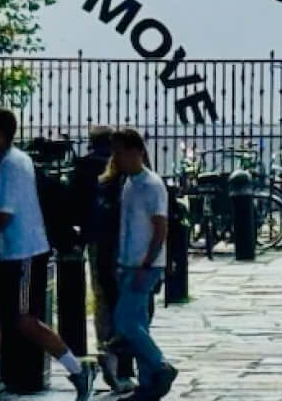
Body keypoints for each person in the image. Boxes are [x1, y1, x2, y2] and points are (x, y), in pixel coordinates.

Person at [0, 110, 96, 399]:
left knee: (25, 320)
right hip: (11, 252)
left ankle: (78, 369)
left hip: (25, 254)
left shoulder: (10, 165)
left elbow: (4, 216)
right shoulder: (13, 161)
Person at [111, 127, 178, 401]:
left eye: (121, 152)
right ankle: (147, 381)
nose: (117, 158)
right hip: (129, 262)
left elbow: (160, 227)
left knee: (124, 321)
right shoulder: (129, 183)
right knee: (138, 322)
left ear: (136, 152)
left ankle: (160, 365)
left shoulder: (151, 185)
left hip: (144, 264)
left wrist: (148, 263)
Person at [73, 127, 137, 395]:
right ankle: (125, 365)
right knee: (126, 304)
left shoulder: (86, 168)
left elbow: (74, 205)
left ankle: (106, 351)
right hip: (127, 244)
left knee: (102, 300)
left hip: (98, 242)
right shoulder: (125, 170)